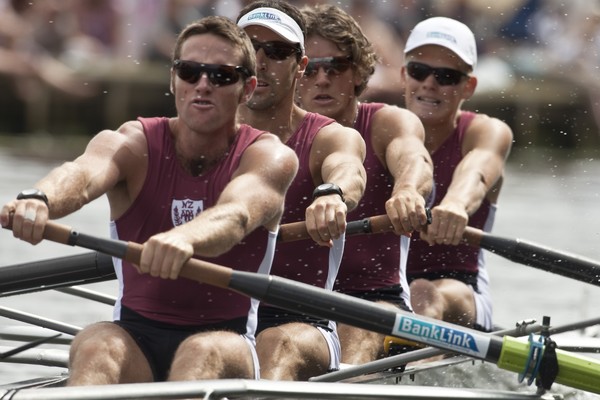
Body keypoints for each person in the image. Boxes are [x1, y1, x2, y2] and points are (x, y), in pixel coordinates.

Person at [0, 15, 298, 385]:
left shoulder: (268, 156)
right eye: (190, 72)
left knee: (200, 352)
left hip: (227, 342)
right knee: (94, 341)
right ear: (174, 80)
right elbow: (83, 173)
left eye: (220, 76)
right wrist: (39, 198)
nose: (202, 85)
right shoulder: (134, 142)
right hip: (135, 338)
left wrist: (184, 238)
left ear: (247, 88)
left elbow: (236, 215)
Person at [235, 1, 367, 380]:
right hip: (214, 315)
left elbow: (348, 168)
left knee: (276, 345)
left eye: (276, 52)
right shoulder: (197, 137)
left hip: (301, 322)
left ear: (300, 66)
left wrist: (331, 193)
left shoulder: (328, 137)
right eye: (251, 48)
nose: (261, 61)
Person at [296, 4, 433, 365]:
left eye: (335, 67)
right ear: (296, 73)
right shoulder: (271, 138)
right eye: (311, 68)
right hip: (293, 303)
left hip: (374, 301)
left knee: (354, 330)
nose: (321, 79)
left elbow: (414, 158)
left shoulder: (387, 123)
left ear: (357, 73)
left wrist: (406, 191)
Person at [402, 17, 513, 332]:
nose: (429, 84)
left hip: (459, 290)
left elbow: (476, 170)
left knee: (422, 292)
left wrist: (454, 205)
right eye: (419, 71)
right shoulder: (378, 130)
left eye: (446, 76)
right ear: (402, 76)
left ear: (469, 86)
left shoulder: (486, 131)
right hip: (381, 287)